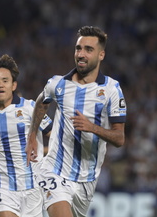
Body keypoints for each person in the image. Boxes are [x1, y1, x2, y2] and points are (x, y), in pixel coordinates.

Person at [25, 26, 127, 217]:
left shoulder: (112, 90)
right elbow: (41, 102)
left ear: (101, 54)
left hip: (87, 179)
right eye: (78, 48)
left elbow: (119, 138)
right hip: (55, 170)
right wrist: (32, 135)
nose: (81, 54)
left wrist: (92, 128)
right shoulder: (58, 84)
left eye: (88, 50)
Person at [0, 54, 52, 217]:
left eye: (5, 81)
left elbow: (55, 135)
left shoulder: (31, 108)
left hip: (32, 186)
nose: (0, 85)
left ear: (13, 85)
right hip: (2, 187)